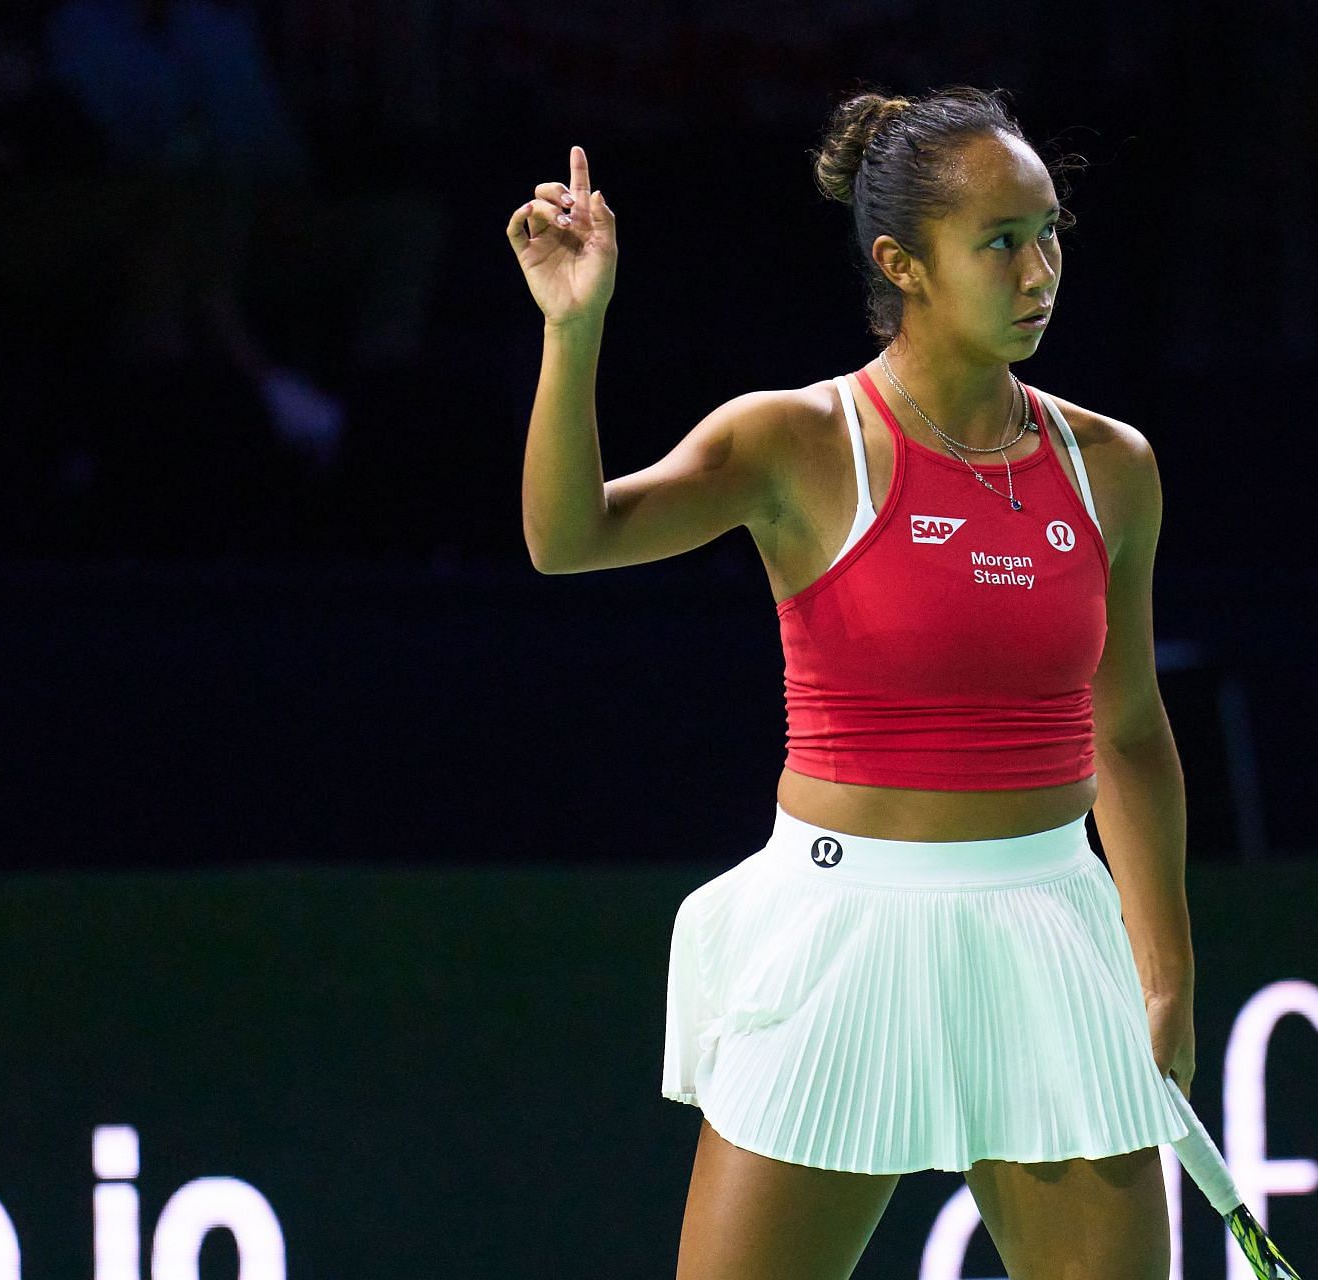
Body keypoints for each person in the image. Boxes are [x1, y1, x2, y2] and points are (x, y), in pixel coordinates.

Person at [507, 85, 1196, 1280]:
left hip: (1050, 929)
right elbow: (567, 537)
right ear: (903, 263)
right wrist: (574, 331)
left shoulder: (1113, 467)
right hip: (843, 933)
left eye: (1049, 236)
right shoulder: (791, 442)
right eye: (999, 242)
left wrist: (1167, 969)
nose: (1039, 271)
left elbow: (1127, 727)